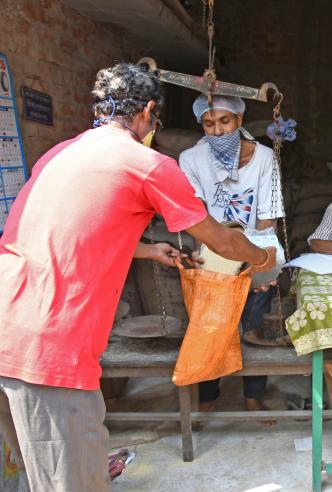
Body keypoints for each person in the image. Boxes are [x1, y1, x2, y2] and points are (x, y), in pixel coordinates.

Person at [0, 62, 276, 492]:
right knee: (66, 482)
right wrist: (262, 259)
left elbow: (74, 230)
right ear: (148, 111)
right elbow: (221, 240)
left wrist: (149, 250)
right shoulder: (147, 163)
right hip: (49, 347)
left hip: (7, 325)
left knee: (32, 475)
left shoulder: (61, 153)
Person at [179, 94, 284, 418]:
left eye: (225, 121)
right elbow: (195, 215)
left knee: (253, 326)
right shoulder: (191, 159)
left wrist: (261, 265)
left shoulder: (265, 157)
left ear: (239, 120)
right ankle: (208, 398)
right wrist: (219, 257)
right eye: (209, 124)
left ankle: (253, 397)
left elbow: (267, 218)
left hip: (255, 246)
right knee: (211, 326)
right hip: (214, 249)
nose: (218, 130)